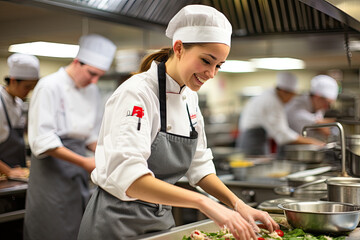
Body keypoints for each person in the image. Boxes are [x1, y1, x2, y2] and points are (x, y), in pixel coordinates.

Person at [77, 5, 278, 240]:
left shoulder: (189, 98)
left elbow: (200, 166)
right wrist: (204, 203)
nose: (211, 73)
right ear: (179, 48)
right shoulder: (137, 93)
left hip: (160, 221)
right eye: (206, 61)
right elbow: (128, 177)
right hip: (115, 223)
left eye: (218, 66)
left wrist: (237, 204)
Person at [24, 34, 116, 240]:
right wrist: (84, 162)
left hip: (77, 175)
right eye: (92, 73)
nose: (94, 81)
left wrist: (110, 154)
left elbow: (91, 136)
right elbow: (43, 140)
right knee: (51, 228)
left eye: (99, 76)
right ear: (76, 62)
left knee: (77, 229)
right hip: (51, 172)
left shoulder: (91, 90)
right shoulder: (49, 86)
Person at [236, 72, 324, 156]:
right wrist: (314, 142)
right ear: (283, 91)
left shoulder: (271, 97)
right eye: (292, 95)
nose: (292, 99)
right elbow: (283, 135)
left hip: (258, 140)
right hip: (252, 144)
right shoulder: (271, 101)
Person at [0, 53, 39, 178]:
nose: (28, 92)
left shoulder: (19, 103)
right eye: (26, 87)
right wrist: (8, 171)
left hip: (14, 171)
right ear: (13, 81)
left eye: (32, 87)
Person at [285, 74, 339, 140]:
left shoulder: (318, 106)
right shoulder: (295, 106)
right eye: (327, 103)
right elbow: (318, 124)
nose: (327, 107)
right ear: (317, 97)